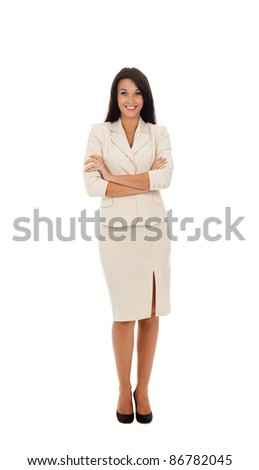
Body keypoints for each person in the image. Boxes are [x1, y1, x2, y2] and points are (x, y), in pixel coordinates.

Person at [83, 67, 174, 424]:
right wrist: (139, 180)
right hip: (116, 232)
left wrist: (112, 176)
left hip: (153, 231)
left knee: (150, 313)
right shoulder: (98, 132)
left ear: (145, 97)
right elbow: (92, 186)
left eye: (137, 93)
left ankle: (144, 389)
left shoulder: (159, 133)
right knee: (124, 314)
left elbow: (163, 178)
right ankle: (124, 390)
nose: (130, 100)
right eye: (123, 92)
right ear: (114, 97)